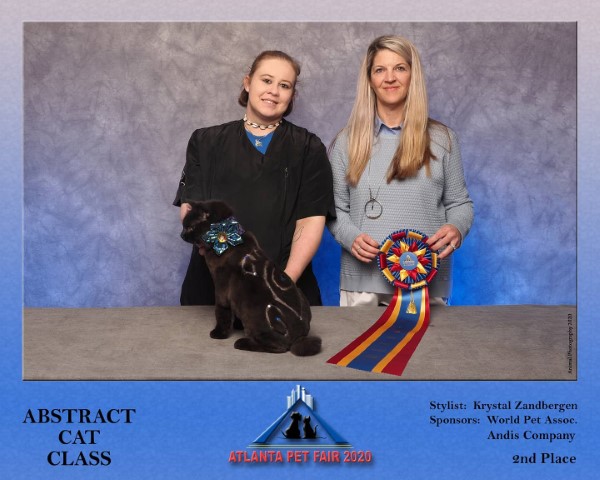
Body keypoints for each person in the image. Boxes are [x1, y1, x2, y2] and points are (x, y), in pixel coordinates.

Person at [174, 50, 335, 306]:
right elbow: (191, 210)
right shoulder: (206, 141)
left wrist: (281, 285)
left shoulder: (308, 147)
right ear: (248, 83)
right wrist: (231, 264)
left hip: (286, 287)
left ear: (292, 95)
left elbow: (310, 221)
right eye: (266, 80)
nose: (274, 91)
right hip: (212, 289)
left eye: (284, 85)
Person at [327, 35, 474, 307]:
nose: (390, 78)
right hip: (362, 284)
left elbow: (459, 203)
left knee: (428, 339)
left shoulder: (444, 139)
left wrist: (456, 228)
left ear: (412, 75)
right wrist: (350, 237)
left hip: (425, 280)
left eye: (400, 68)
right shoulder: (346, 142)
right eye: (379, 70)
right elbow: (335, 210)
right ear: (370, 79)